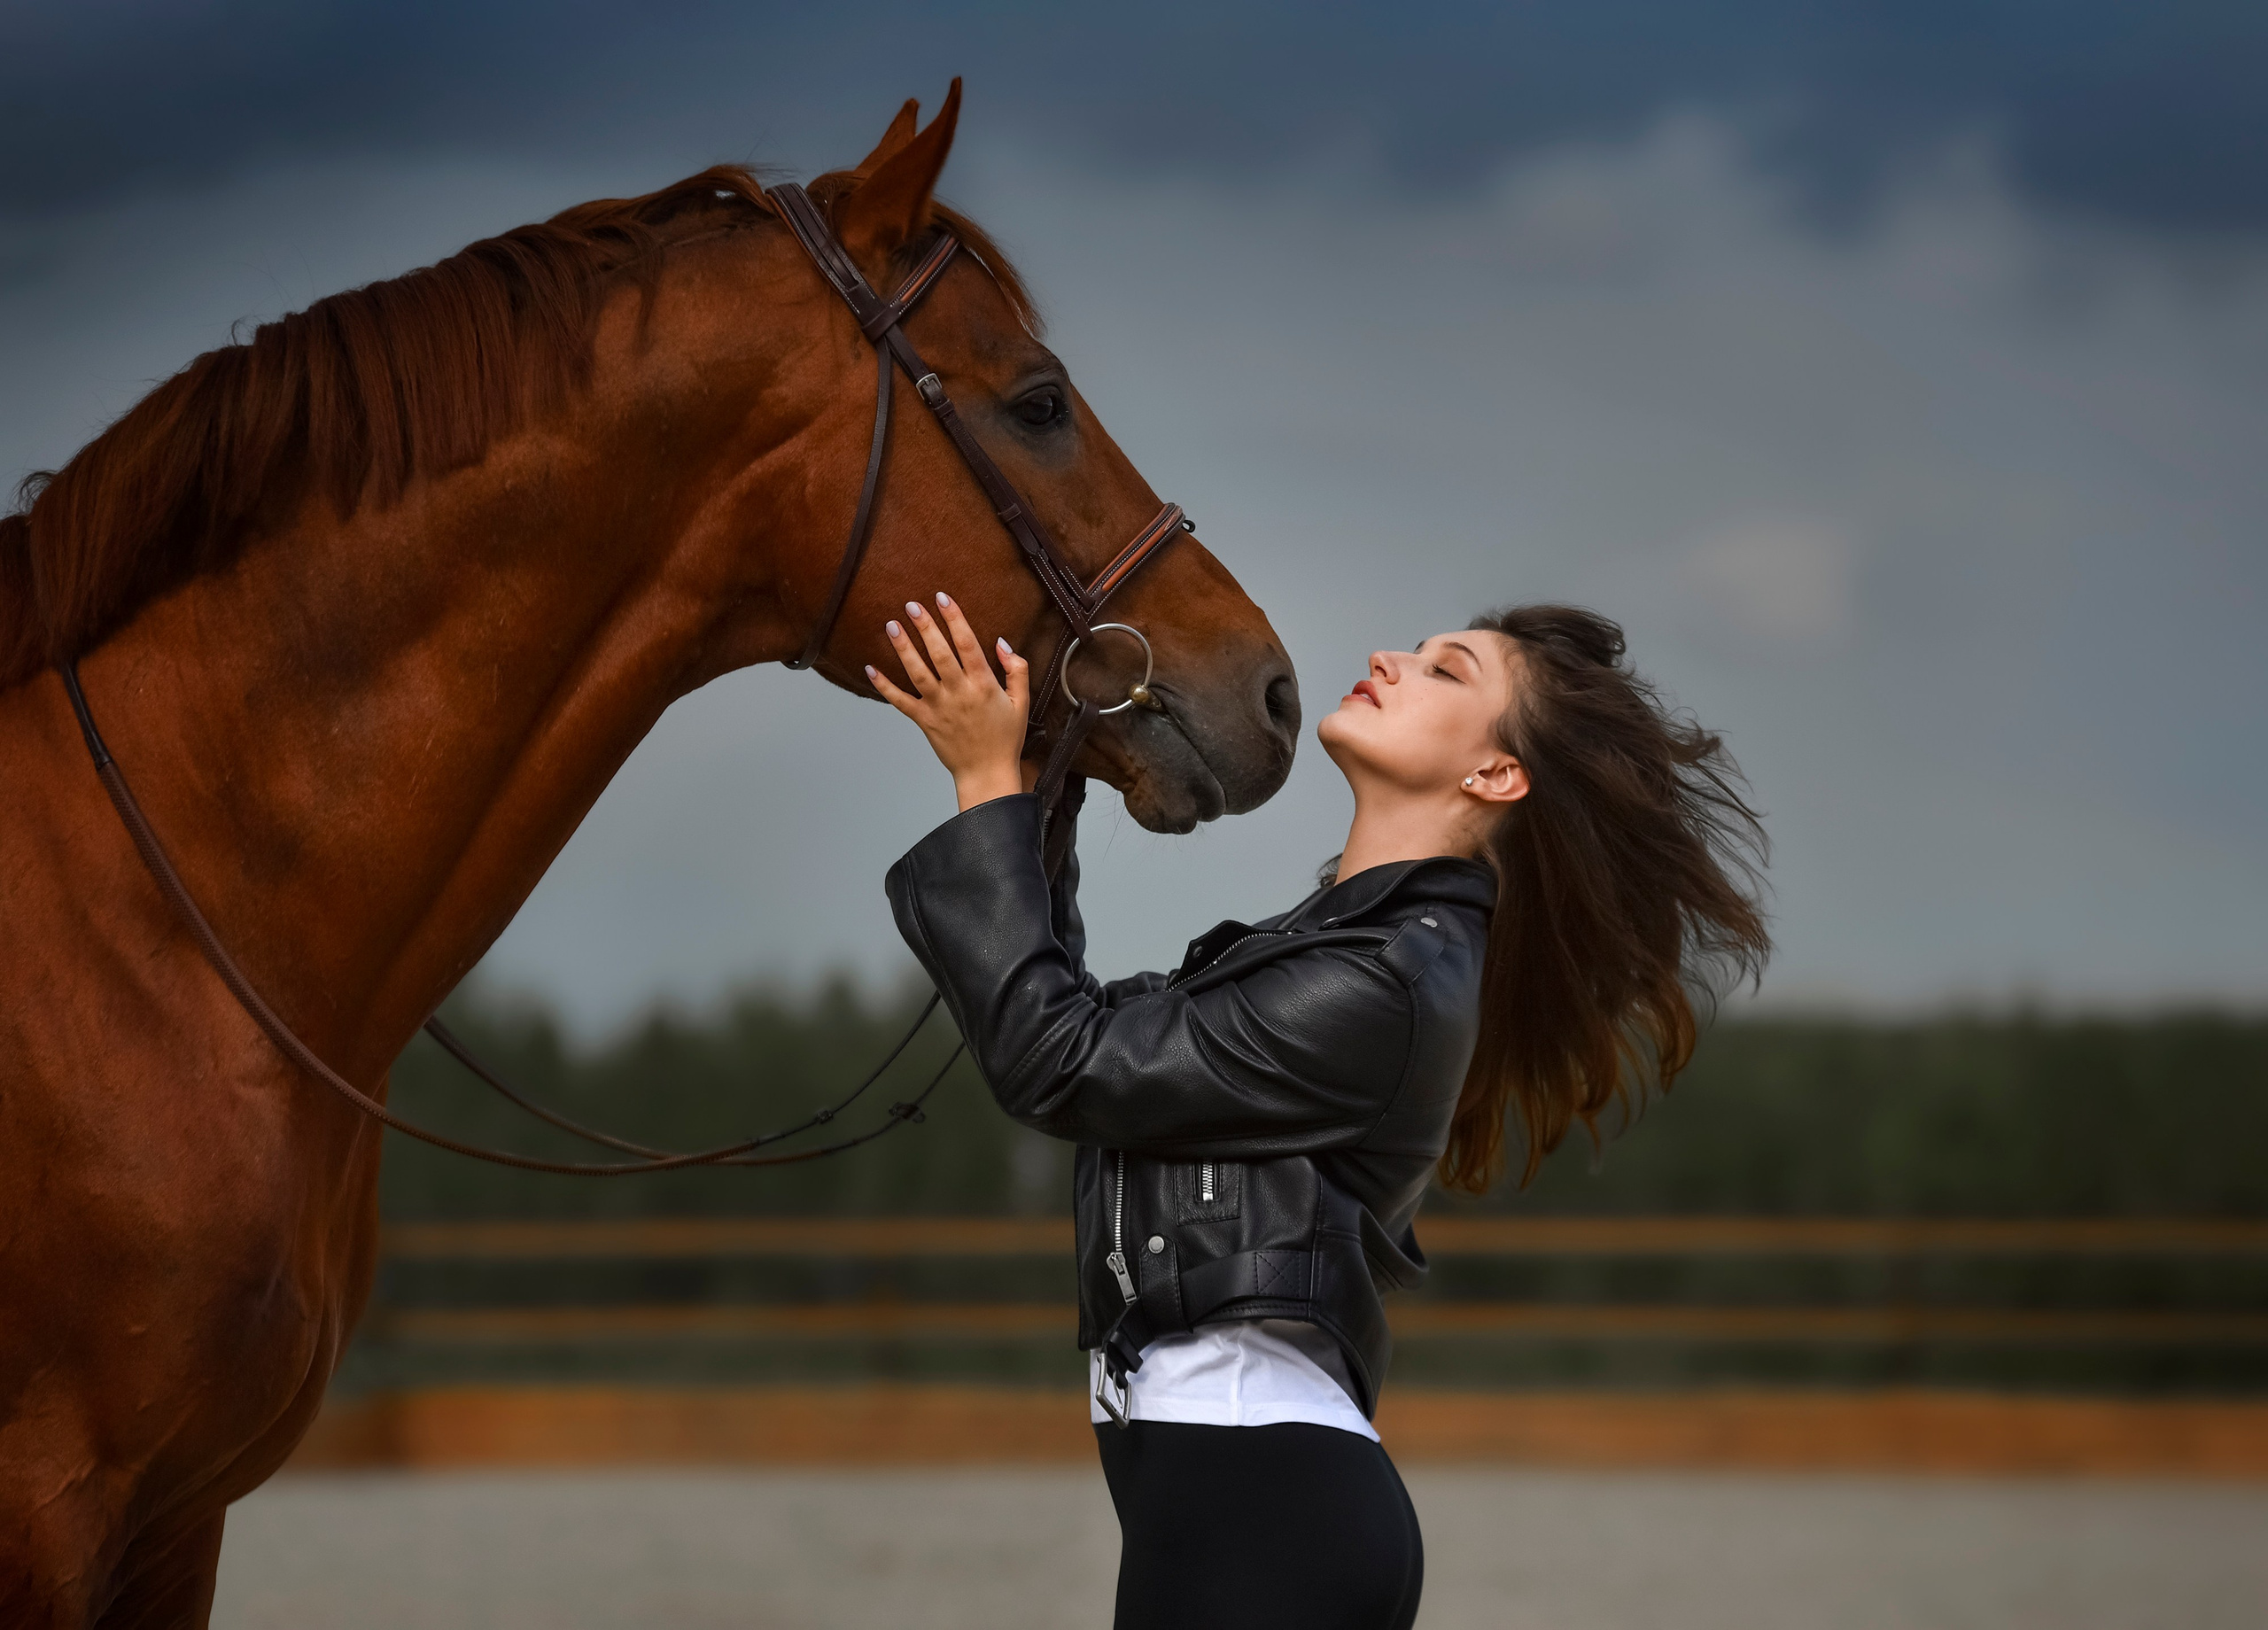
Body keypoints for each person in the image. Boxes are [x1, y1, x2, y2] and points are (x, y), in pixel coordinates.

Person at [870, 593, 1770, 1630]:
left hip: (1258, 1501)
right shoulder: (1341, 949)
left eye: (1446, 671)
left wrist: (985, 784)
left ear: (1493, 774)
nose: (1391, 657)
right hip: (1237, 1497)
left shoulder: (1386, 980)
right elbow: (1087, 1031)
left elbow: (1061, 1063)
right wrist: (1039, 796)